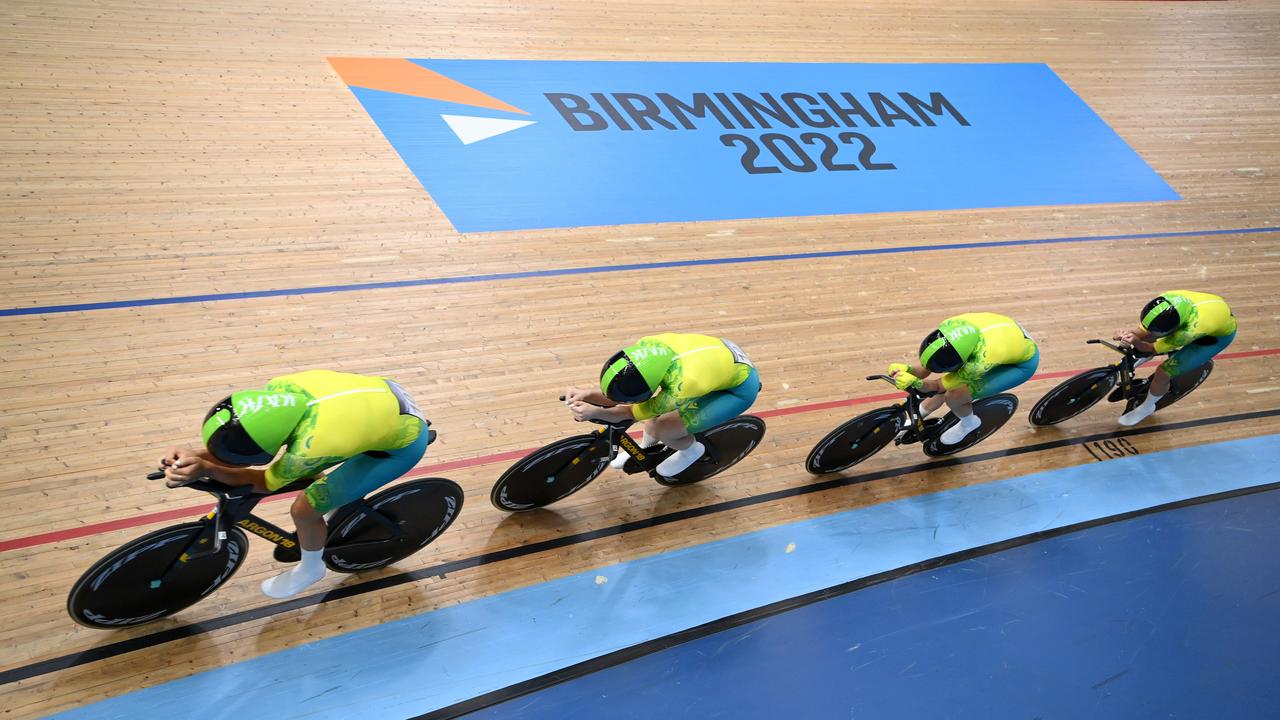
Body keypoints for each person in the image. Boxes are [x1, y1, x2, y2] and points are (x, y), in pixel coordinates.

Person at [160, 370, 430, 599]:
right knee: (307, 472)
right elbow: (239, 445)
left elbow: (264, 482)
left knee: (304, 510)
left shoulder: (311, 447)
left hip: (402, 443)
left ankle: (311, 568)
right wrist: (193, 455)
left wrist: (207, 467)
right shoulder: (279, 390)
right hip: (378, 400)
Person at [563, 333, 761, 477]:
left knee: (664, 429)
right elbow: (623, 397)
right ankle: (646, 447)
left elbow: (629, 412)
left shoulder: (684, 384)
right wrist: (587, 393)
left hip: (737, 390)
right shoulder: (647, 346)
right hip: (715, 362)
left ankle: (691, 450)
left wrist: (595, 411)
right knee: (652, 418)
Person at [888, 312, 1039, 445]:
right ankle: (922, 412)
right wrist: (906, 370)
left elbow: (938, 386)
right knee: (950, 381)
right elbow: (926, 367)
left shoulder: (979, 363)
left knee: (954, 395)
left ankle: (969, 423)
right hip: (1001, 340)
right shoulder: (950, 325)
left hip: (1020, 365)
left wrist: (916, 382)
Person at [1112, 290, 1236, 426]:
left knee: (1163, 372)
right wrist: (1129, 333)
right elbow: (1145, 330)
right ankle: (1139, 359)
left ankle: (1146, 408)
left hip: (1214, 338)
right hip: (1204, 315)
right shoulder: (1169, 298)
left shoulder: (1187, 333)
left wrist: (1136, 341)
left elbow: (1150, 347)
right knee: (1150, 335)